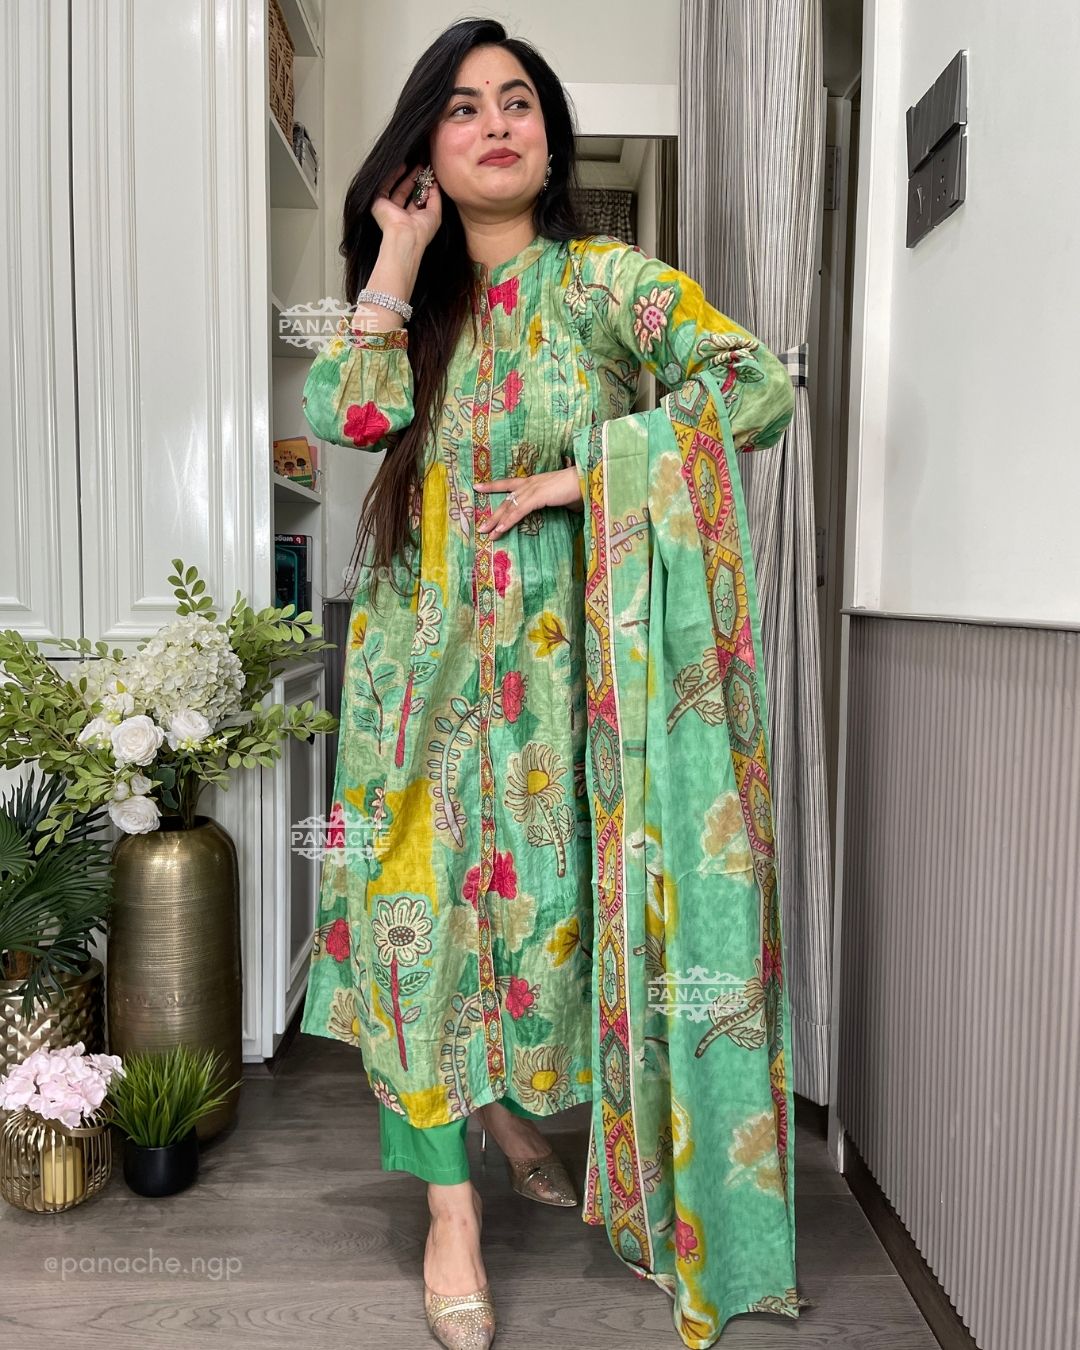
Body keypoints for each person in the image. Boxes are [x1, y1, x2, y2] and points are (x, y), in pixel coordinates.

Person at [298, 17, 794, 1349]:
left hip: (563, 701)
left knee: (543, 929)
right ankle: (449, 1211)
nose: (495, 124)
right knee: (412, 928)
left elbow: (755, 389)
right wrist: (397, 255)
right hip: (409, 689)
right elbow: (347, 415)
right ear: (427, 149)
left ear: (552, 140)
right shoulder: (418, 305)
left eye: (517, 101)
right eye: (461, 108)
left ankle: (515, 1113)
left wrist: (593, 474)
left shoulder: (608, 286)